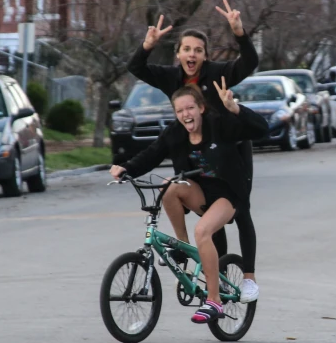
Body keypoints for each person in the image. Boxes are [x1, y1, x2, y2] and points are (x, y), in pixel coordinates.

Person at [126, 0, 262, 303]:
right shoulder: (171, 77)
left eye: (198, 50)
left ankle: (249, 278)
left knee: (240, 209)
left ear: (205, 56)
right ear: (178, 54)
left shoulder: (218, 73)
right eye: (187, 49)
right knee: (203, 211)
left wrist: (239, 33)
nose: (192, 54)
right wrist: (147, 45)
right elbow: (135, 67)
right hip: (194, 149)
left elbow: (249, 63)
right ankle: (191, 251)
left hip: (230, 146)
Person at [109, 81, 268, 323]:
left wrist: (235, 109)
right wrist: (126, 168)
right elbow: (152, 154)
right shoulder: (175, 133)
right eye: (180, 111)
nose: (186, 114)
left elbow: (260, 129)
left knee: (202, 230)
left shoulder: (220, 125)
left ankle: (214, 300)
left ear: (201, 108)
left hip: (228, 194)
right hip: (201, 192)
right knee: (170, 187)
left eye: (190, 108)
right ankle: (182, 247)